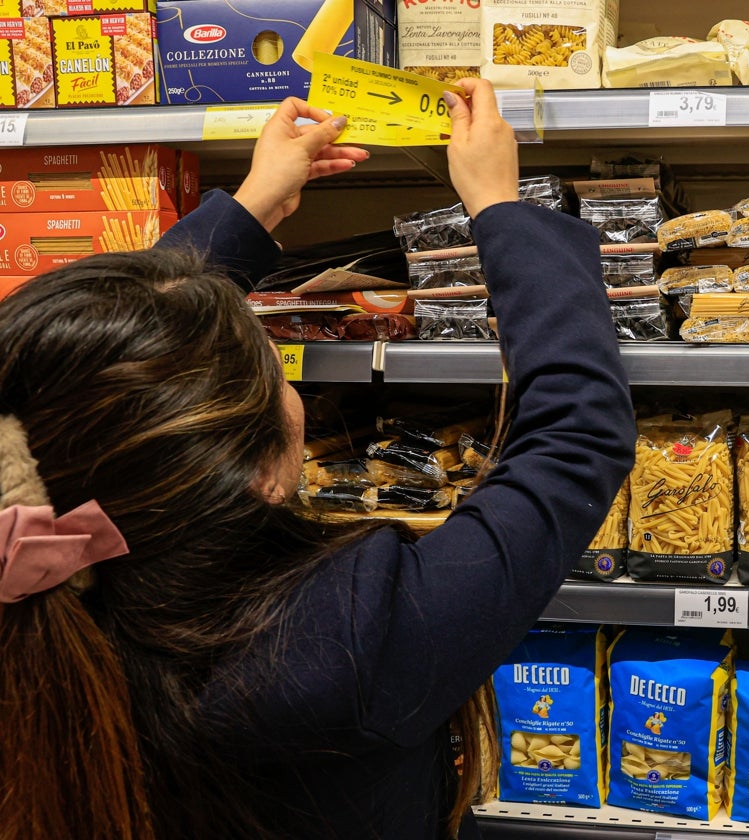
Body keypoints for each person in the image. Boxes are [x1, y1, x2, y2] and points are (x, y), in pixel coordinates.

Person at [0, 80, 635, 840]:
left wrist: (254, 203)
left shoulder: (42, 611)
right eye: (274, 370)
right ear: (263, 479)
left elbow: (94, 370)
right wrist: (500, 206)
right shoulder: (350, 640)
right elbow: (574, 438)